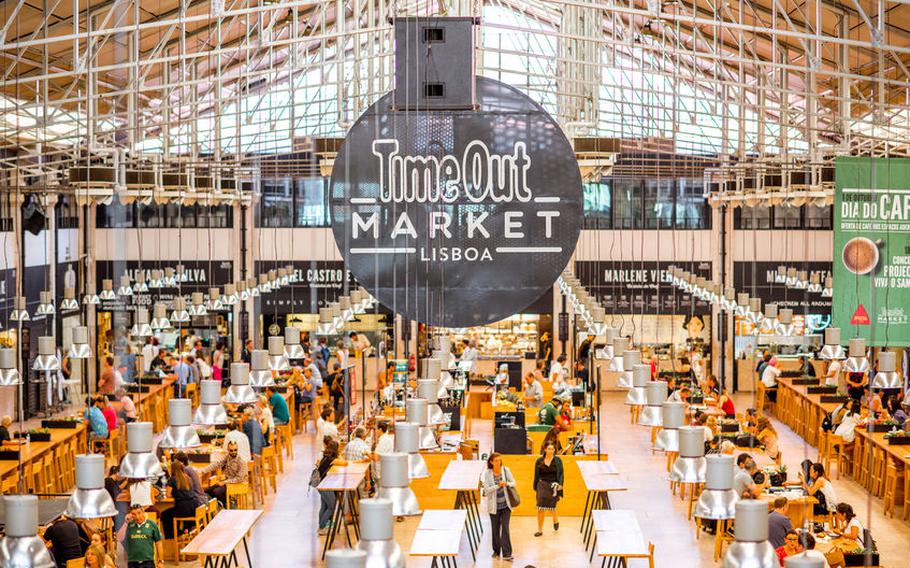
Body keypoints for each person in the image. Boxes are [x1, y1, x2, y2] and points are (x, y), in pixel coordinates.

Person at [480, 452, 515, 561]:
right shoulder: (487, 474)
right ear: (491, 462)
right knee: (495, 529)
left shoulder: (506, 470)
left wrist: (507, 484)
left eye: (499, 460)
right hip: (494, 507)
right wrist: (498, 485)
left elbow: (513, 482)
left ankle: (507, 553)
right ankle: (496, 550)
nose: (498, 462)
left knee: (505, 528)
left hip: (506, 506)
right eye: (496, 461)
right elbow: (486, 490)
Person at [316, 438, 347, 535]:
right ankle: (322, 527)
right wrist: (340, 454)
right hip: (326, 485)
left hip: (321, 484)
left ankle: (321, 527)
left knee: (324, 506)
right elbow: (344, 463)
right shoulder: (331, 460)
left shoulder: (324, 457)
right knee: (332, 506)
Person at [202, 441, 249, 506]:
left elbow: (239, 479)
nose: (233, 452)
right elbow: (217, 464)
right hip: (228, 482)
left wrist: (224, 482)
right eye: (231, 450)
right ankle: (218, 504)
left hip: (238, 483)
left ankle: (229, 505)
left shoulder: (241, 461)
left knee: (216, 492)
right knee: (207, 490)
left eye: (235, 450)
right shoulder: (227, 457)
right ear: (228, 450)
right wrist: (203, 470)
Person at [533, 441, 564, 537]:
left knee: (551, 507)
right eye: (549, 449)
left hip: (553, 485)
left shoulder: (558, 460)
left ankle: (555, 518)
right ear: (545, 449)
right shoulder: (539, 460)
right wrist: (535, 487)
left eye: (553, 449)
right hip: (542, 485)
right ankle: (540, 530)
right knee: (540, 507)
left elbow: (561, 473)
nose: (551, 451)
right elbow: (536, 475)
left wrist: (561, 484)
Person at [160, 460, 196, 539]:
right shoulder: (188, 478)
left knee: (165, 515)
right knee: (171, 513)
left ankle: (175, 535)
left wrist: (175, 494)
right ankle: (184, 531)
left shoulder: (172, 479)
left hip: (182, 508)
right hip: (193, 507)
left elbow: (168, 494)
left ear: (172, 469)